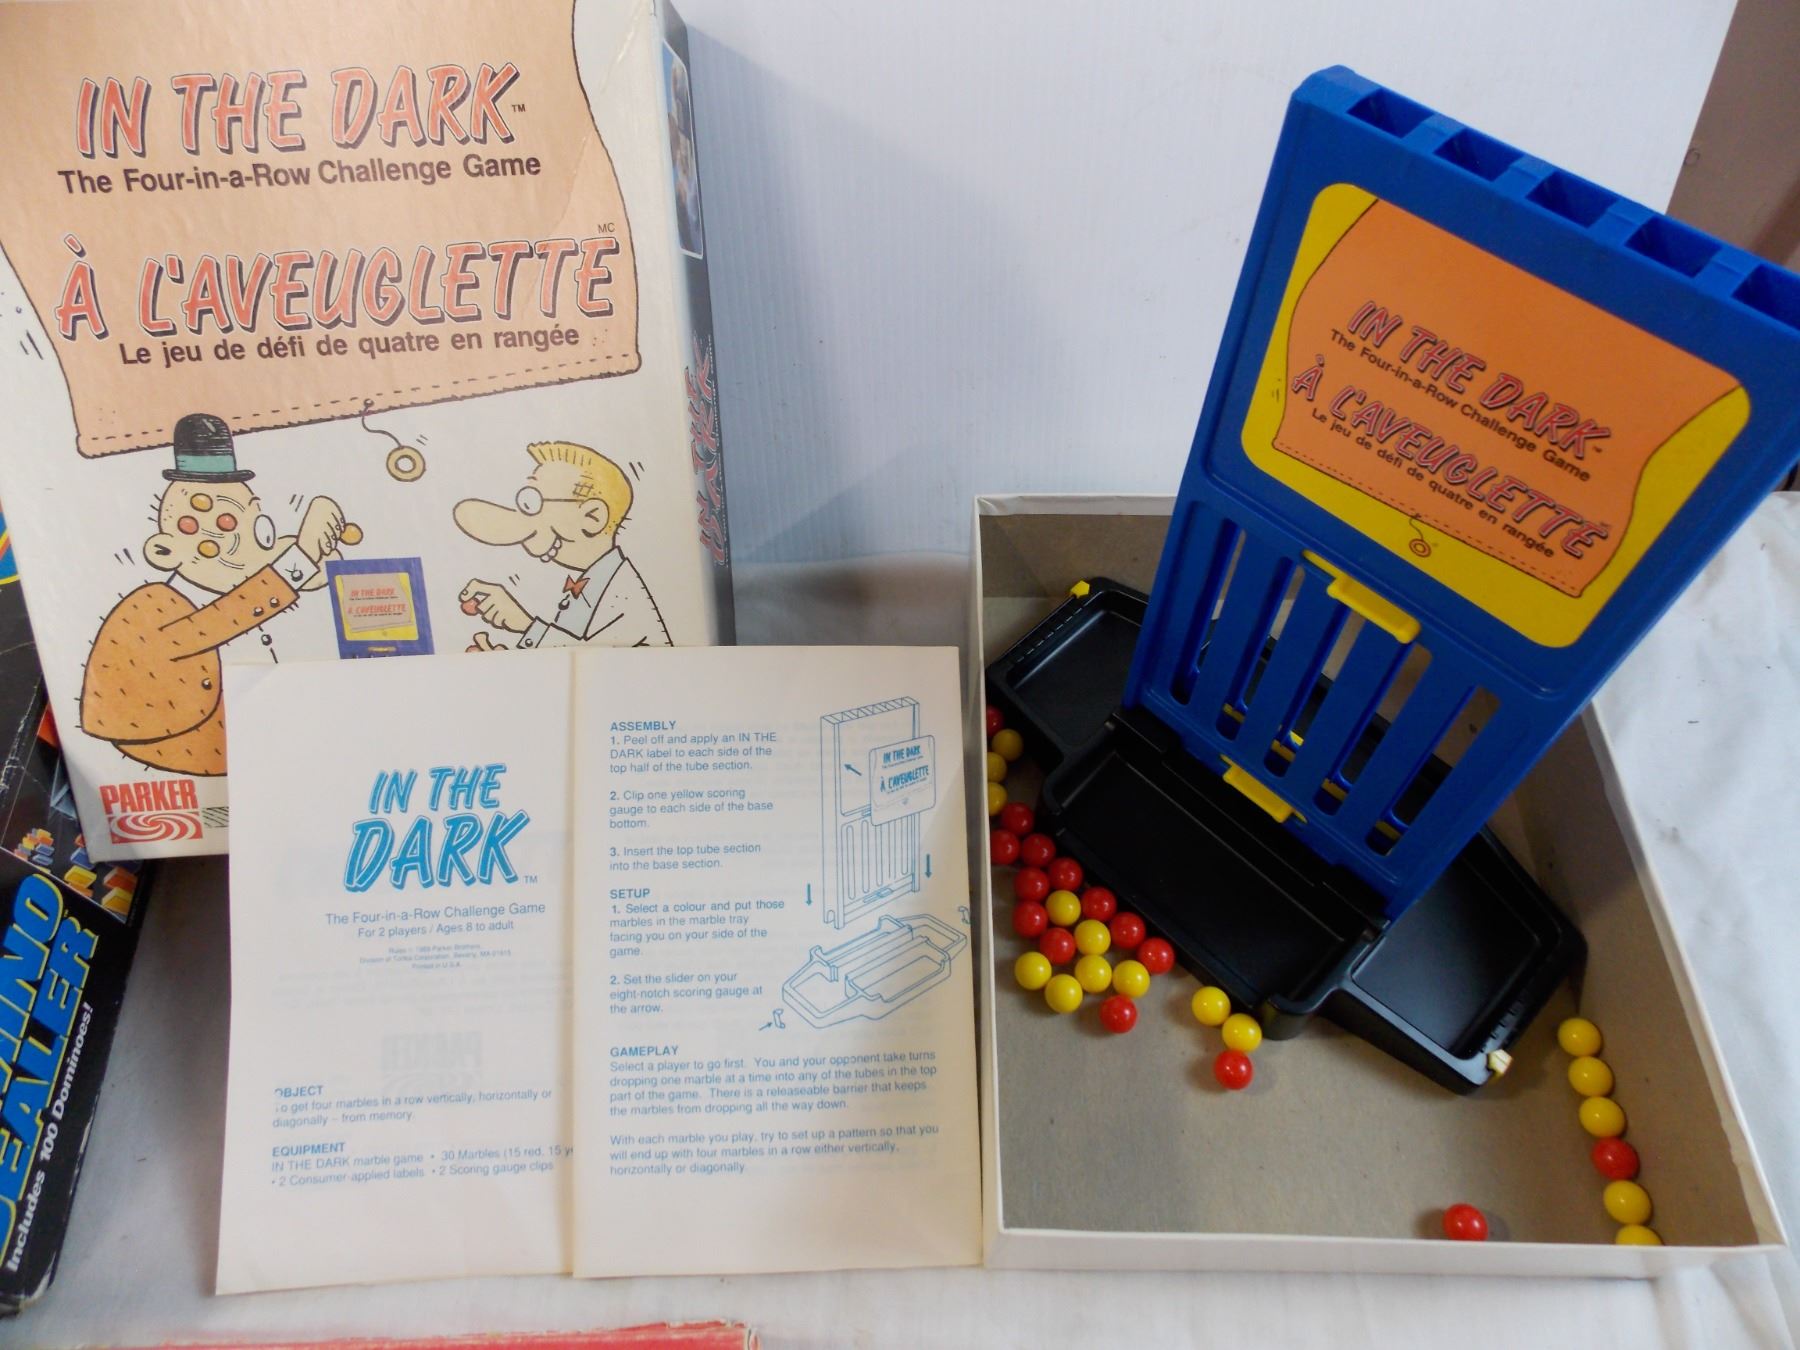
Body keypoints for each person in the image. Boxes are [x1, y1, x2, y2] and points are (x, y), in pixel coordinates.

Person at [80, 413, 351, 775]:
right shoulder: (152, 604)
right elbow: (212, 625)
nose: (240, 542)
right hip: (180, 746)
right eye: (214, 528)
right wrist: (299, 559)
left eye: (256, 529)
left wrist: (307, 563)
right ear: (164, 551)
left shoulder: (256, 594)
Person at [456, 440, 670, 650]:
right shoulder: (591, 585)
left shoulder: (622, 593)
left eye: (532, 503)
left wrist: (525, 625)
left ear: (592, 517)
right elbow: (572, 658)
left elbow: (601, 663)